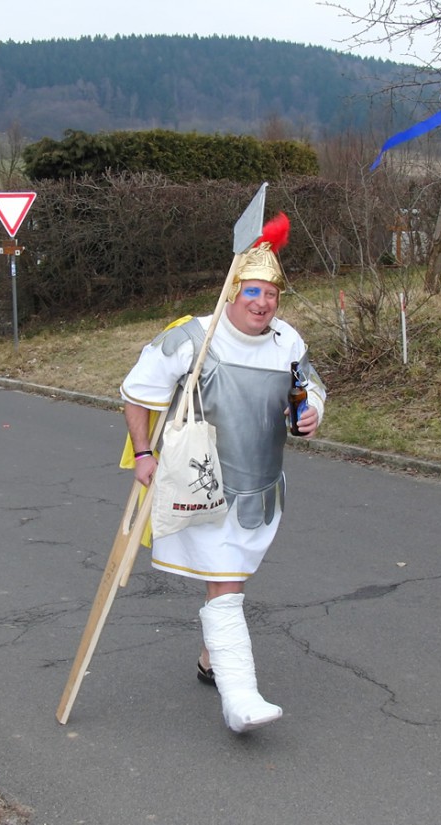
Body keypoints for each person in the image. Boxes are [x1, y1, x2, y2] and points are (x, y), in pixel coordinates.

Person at [119, 212, 326, 734]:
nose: (263, 303)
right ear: (233, 292)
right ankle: (241, 698)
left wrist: (310, 413)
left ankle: (212, 661)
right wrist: (144, 454)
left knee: (227, 580)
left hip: (262, 488)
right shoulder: (194, 338)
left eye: (272, 294)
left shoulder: (288, 343)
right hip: (202, 486)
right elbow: (136, 392)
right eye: (253, 291)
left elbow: (309, 389)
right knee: (226, 585)